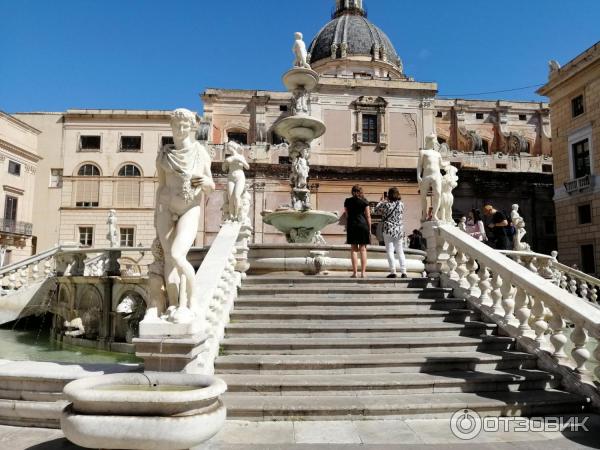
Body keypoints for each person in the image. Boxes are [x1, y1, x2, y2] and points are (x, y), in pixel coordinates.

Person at [375, 187, 407, 279]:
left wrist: (381, 201)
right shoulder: (401, 204)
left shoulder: (386, 204)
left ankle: (393, 271)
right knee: (400, 251)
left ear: (389, 195)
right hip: (399, 230)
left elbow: (376, 210)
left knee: (390, 251)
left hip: (388, 229)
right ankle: (404, 271)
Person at [344, 185, 371, 278]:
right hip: (363, 226)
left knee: (354, 249)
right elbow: (368, 216)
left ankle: (355, 273)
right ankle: (363, 273)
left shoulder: (347, 201)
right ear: (361, 192)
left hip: (352, 225)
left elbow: (347, 215)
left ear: (352, 191)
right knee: (363, 249)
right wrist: (370, 228)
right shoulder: (364, 201)